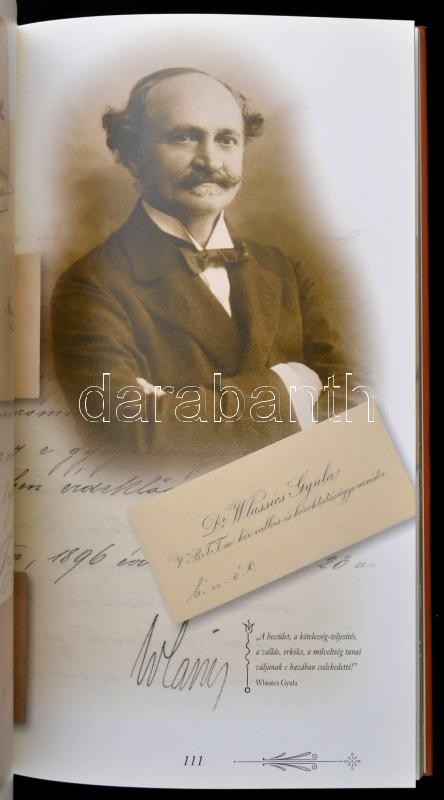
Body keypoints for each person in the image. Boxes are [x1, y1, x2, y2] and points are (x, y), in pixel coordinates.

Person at [51, 67, 354, 471]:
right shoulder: (89, 287)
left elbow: (353, 401)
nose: (210, 160)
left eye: (226, 139)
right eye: (184, 137)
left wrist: (178, 413)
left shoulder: (282, 269)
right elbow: (129, 434)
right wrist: (289, 387)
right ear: (132, 155)